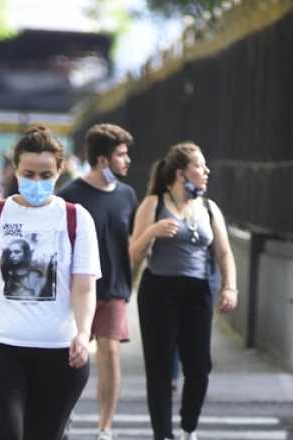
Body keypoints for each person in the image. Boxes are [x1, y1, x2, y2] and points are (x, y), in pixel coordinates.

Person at [0, 126, 100, 439]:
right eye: (29, 173)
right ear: (15, 169)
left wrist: (83, 332)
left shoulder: (76, 218)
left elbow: (84, 286)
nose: (37, 182)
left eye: (45, 174)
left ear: (59, 171)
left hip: (60, 354)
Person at [129, 142, 238, 440]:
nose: (206, 171)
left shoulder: (209, 208)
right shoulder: (153, 204)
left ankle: (188, 426)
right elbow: (133, 255)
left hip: (197, 291)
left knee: (199, 367)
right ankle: (163, 434)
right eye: (200, 166)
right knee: (160, 368)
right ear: (181, 173)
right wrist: (153, 232)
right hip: (158, 291)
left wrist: (230, 286)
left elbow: (224, 253)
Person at [58, 123, 138, 440]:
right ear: (103, 160)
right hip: (75, 290)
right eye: (121, 154)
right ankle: (62, 414)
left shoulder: (127, 196)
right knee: (70, 358)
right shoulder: (70, 196)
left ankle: (105, 427)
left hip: (114, 289)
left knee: (111, 353)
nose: (128, 160)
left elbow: (130, 242)